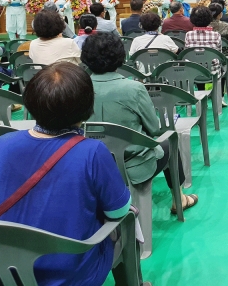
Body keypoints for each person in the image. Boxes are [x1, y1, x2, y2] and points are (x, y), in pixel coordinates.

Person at [0, 63, 134, 285]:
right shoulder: (92, 151)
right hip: (71, 275)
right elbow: (118, 211)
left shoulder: (3, 144)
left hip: (2, 269)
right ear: (87, 107)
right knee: (128, 221)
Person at [82, 33, 197, 214]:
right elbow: (154, 129)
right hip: (132, 165)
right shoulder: (134, 88)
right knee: (168, 141)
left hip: (89, 164)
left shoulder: (78, 87)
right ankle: (179, 198)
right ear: (121, 55)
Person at [185, 6, 226, 107]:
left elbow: (187, 52)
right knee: (221, 67)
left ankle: (201, 95)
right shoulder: (216, 35)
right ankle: (218, 98)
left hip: (193, 71)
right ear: (209, 19)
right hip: (212, 71)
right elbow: (219, 54)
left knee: (197, 64)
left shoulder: (188, 35)